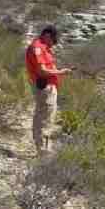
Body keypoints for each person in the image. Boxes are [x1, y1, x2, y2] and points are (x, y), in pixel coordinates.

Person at [24, 26, 71, 155]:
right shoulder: (37, 48)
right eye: (53, 40)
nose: (54, 44)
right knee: (45, 117)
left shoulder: (45, 48)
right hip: (44, 87)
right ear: (47, 35)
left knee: (47, 116)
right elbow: (42, 71)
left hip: (49, 87)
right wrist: (61, 72)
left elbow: (47, 67)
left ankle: (43, 148)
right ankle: (43, 150)